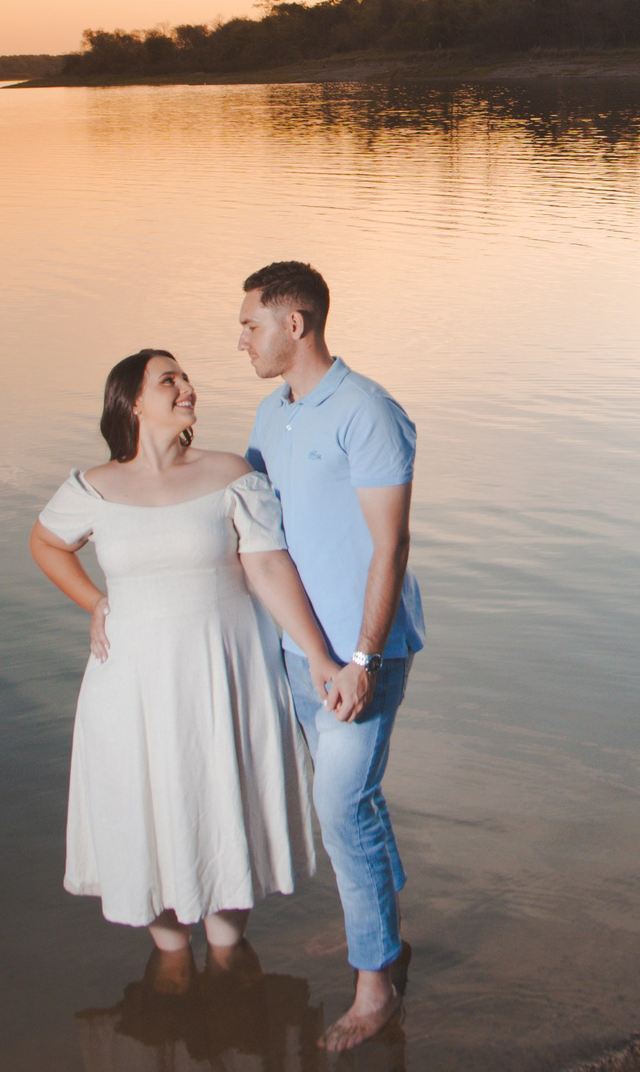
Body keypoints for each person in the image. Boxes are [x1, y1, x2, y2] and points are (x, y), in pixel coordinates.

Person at [28, 349, 342, 995]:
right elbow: (45, 541)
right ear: (132, 403)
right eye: (167, 379)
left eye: (185, 377)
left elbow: (269, 568)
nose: (186, 386)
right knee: (150, 800)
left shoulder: (229, 472)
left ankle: (229, 955)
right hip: (132, 685)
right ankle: (169, 959)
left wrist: (319, 654)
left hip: (223, 673)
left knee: (219, 794)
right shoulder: (93, 487)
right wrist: (96, 601)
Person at [237, 261, 422, 1054]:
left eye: (251, 324)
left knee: (341, 806)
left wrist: (362, 657)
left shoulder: (367, 412)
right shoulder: (268, 417)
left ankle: (374, 982)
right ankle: (378, 927)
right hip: (298, 651)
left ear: (296, 324)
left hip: (358, 654)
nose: (240, 338)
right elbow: (257, 535)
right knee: (356, 806)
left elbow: (391, 545)